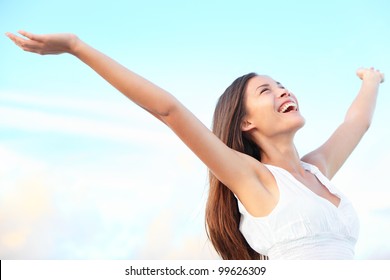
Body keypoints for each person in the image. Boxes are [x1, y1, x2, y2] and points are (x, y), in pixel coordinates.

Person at [6, 30, 384, 260]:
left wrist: (370, 79)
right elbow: (169, 110)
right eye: (266, 90)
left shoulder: (318, 169)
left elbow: (358, 122)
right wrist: (76, 46)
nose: (283, 90)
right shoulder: (252, 178)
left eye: (282, 84)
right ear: (245, 121)